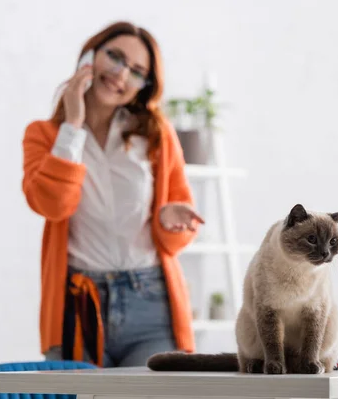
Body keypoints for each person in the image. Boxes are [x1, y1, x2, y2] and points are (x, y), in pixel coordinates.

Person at [21, 21, 204, 368]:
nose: (121, 75)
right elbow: (51, 204)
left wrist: (167, 220)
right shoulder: (43, 135)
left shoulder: (155, 134)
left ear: (144, 87)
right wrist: (72, 125)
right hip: (77, 305)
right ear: (90, 55)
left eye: (137, 72)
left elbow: (178, 236)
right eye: (115, 57)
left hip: (150, 304)